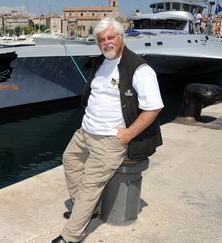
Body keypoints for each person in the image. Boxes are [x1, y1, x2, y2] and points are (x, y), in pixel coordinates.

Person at [52, 17, 164, 243]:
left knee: (90, 186)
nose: (106, 43)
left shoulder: (139, 69)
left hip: (110, 140)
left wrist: (129, 134)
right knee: (70, 160)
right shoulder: (102, 63)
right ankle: (88, 210)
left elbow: (153, 108)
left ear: (121, 37)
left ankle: (71, 235)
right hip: (86, 132)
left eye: (111, 37)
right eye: (102, 39)